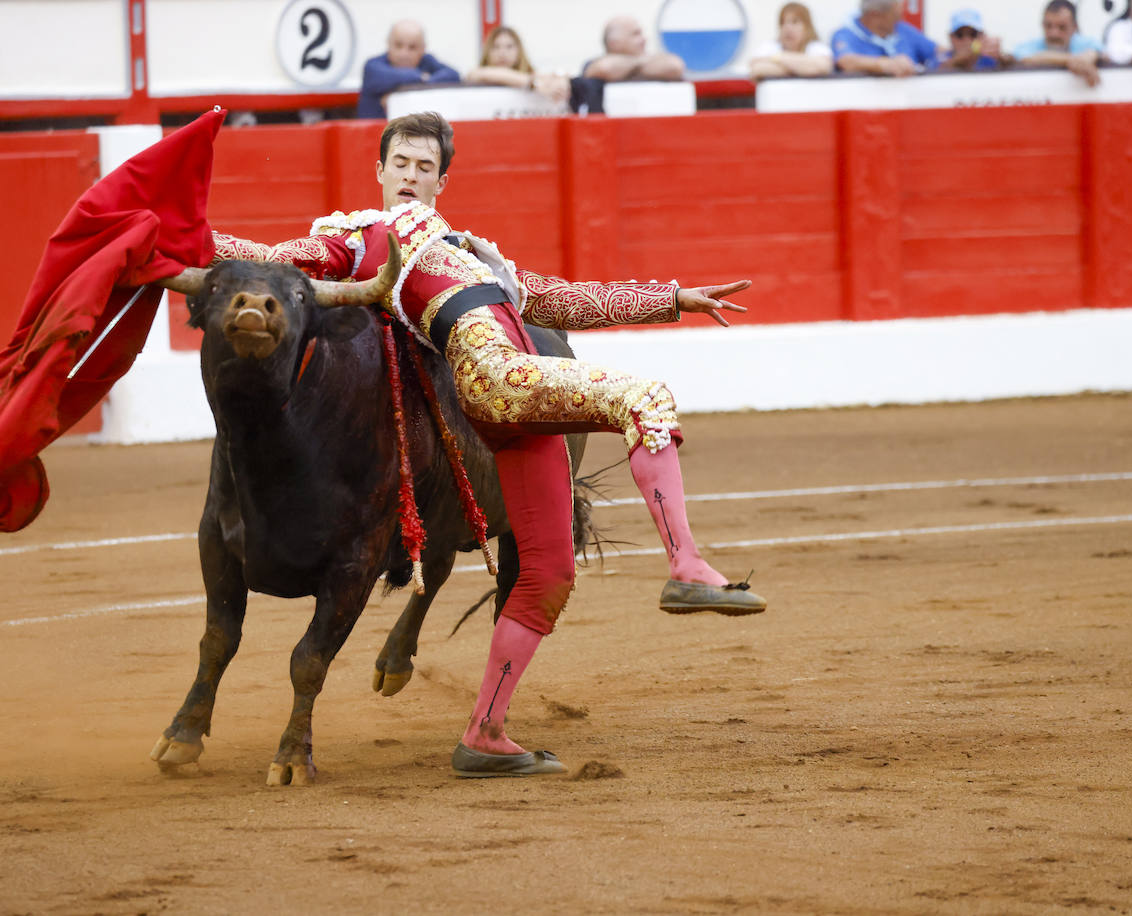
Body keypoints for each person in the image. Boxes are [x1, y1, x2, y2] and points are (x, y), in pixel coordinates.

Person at [207, 112, 765, 777]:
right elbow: (273, 261)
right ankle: (686, 570)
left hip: (515, 403)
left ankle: (486, 733)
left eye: (424, 167)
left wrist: (673, 298)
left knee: (548, 575)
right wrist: (175, 234)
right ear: (380, 172)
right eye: (401, 164)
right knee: (644, 398)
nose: (410, 177)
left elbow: (561, 300)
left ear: (441, 180)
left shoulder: (474, 254)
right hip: (492, 372)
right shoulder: (359, 235)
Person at [357, 20, 460, 119]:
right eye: (398, 45)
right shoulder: (373, 67)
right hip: (373, 134)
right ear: (388, 44)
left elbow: (454, 76)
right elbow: (389, 77)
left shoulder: (427, 62)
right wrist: (421, 78)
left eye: (412, 47)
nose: (404, 54)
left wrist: (396, 94)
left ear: (423, 49)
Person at [464, 25, 571, 105]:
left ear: (519, 50)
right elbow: (477, 73)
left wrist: (561, 81)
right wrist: (533, 84)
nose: (502, 53)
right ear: (488, 51)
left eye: (509, 46)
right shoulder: (477, 74)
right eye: (496, 47)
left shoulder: (531, 74)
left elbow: (558, 74)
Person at [831, 0, 940, 77]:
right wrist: (885, 64)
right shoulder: (846, 34)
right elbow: (846, 61)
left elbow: (938, 52)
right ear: (875, 15)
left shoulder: (903, 29)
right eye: (895, 15)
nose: (900, 18)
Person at [1013, 0, 1105, 87]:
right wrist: (1070, 60)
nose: (1054, 33)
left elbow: (1095, 53)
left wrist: (1087, 58)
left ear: (1074, 27)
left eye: (1062, 27)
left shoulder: (1086, 43)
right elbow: (1024, 58)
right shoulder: (1031, 45)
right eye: (1048, 26)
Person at [582, 15, 686, 82]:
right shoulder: (593, 64)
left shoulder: (648, 61)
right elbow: (604, 69)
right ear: (614, 43)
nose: (644, 39)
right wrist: (641, 64)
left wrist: (635, 65)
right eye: (635, 34)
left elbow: (675, 66)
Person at [748, 2, 834, 79]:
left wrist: (779, 58)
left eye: (794, 22)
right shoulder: (770, 47)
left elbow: (823, 66)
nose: (787, 28)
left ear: (807, 27)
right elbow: (757, 69)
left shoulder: (817, 47)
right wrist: (803, 68)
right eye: (783, 23)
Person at [939, 9, 1011, 72]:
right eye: (959, 34)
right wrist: (963, 58)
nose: (967, 40)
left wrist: (1001, 57)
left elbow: (1015, 66)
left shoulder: (989, 60)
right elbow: (939, 70)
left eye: (973, 34)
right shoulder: (941, 58)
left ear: (982, 35)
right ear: (951, 37)